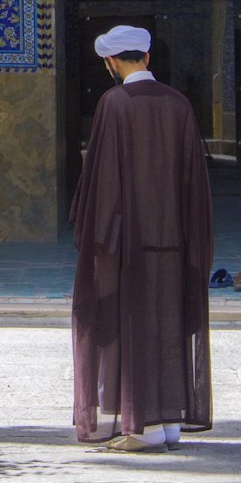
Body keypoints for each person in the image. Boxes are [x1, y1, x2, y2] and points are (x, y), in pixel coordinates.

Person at [70, 25, 213, 451]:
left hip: (127, 244)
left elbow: (103, 181)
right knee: (166, 324)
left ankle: (144, 430)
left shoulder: (114, 104)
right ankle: (167, 424)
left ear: (110, 63)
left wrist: (95, 234)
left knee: (132, 327)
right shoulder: (179, 103)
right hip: (175, 241)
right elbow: (193, 179)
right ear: (147, 58)